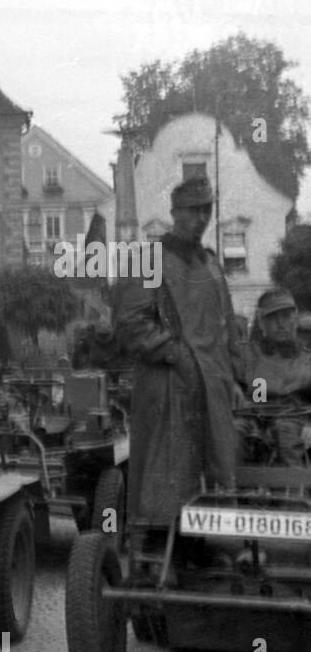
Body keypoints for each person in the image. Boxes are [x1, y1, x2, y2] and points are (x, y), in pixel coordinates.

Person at [114, 175, 244, 548]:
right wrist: (176, 354)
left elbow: (227, 328)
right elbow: (129, 324)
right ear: (174, 212)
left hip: (214, 387)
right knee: (164, 472)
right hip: (167, 384)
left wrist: (234, 379)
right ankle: (155, 551)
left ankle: (206, 547)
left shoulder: (212, 266)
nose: (201, 218)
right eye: (193, 210)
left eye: (207, 209)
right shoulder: (147, 260)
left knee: (214, 467)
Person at [234, 289, 311, 466]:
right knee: (232, 431)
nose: (280, 324)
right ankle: (231, 490)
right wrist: (233, 384)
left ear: (295, 319)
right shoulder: (246, 355)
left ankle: (295, 491)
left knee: (286, 434)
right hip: (252, 417)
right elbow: (224, 376)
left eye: (286, 316)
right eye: (272, 318)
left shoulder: (307, 360)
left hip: (294, 419)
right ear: (261, 323)